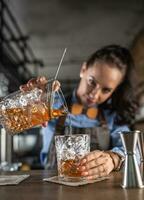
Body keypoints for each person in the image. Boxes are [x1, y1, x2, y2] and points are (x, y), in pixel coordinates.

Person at [21, 44, 138, 180]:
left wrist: (113, 159)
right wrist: (26, 100)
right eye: (92, 82)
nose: (94, 94)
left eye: (105, 90)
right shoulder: (52, 104)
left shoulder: (112, 117)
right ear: (83, 69)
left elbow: (133, 150)